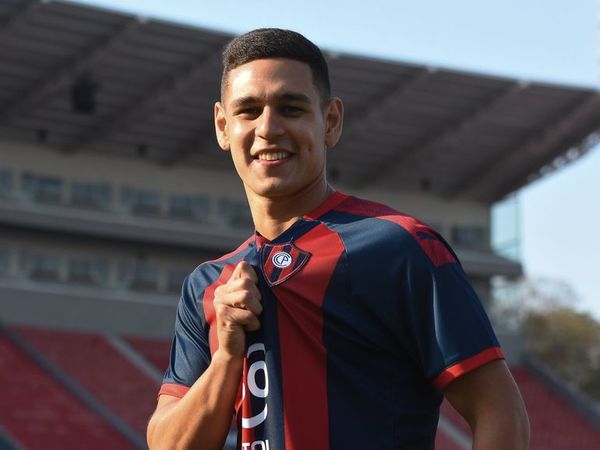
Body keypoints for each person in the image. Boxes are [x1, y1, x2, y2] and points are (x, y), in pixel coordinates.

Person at [147, 28, 530, 450]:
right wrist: (226, 359)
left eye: (291, 108)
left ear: (330, 121)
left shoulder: (401, 248)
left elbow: (499, 410)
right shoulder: (208, 286)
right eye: (249, 111)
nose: (268, 128)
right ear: (223, 126)